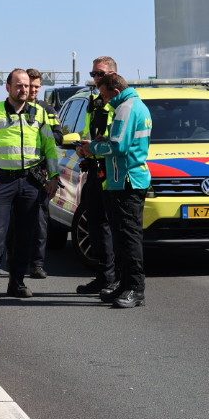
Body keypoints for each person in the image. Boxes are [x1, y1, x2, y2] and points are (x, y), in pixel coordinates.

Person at [0, 69, 60, 301]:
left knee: (24, 235)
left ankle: (17, 281)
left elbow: (50, 147)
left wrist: (54, 176)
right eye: (18, 85)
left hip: (30, 181)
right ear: (8, 87)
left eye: (26, 85)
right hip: (2, 181)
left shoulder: (39, 113)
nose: (23, 90)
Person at [76, 70, 152, 309]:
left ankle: (135, 288)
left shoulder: (126, 108)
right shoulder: (133, 105)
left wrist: (93, 148)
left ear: (116, 91)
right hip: (123, 180)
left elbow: (118, 146)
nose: (105, 101)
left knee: (128, 238)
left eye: (106, 96)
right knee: (120, 237)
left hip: (127, 180)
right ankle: (123, 283)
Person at [73, 57, 119, 299]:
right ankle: (104, 276)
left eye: (99, 74)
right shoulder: (94, 101)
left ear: (113, 75)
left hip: (114, 171)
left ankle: (117, 279)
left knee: (114, 227)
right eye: (93, 74)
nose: (95, 79)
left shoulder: (120, 102)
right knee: (95, 224)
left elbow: (117, 138)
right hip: (94, 168)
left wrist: (97, 147)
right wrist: (84, 146)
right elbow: (91, 131)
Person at [23, 69, 57, 279]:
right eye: (31, 86)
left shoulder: (47, 109)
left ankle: (37, 263)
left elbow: (58, 137)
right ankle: (15, 259)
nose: (33, 90)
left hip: (39, 174)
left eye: (37, 87)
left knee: (40, 221)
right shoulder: (11, 109)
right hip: (13, 174)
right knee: (14, 222)